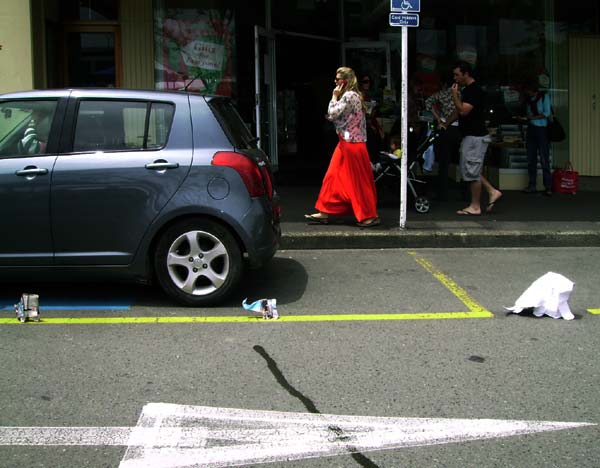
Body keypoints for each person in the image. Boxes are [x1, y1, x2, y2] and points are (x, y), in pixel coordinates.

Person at [305, 66, 380, 227]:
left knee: (357, 181)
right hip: (347, 142)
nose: (335, 81)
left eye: (337, 79)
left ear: (344, 81)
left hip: (351, 144)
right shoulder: (354, 95)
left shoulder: (348, 96)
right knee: (333, 177)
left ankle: (368, 215)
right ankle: (325, 211)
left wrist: (333, 96)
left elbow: (332, 114)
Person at [451, 61, 502, 215]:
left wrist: (454, 95)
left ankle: (475, 206)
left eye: (457, 74)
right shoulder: (468, 90)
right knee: (471, 168)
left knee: (472, 171)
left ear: (466, 74)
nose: (455, 78)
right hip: (471, 136)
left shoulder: (474, 91)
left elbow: (463, 110)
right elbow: (459, 112)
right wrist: (445, 123)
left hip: (475, 137)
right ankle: (492, 191)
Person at [424, 74, 461, 201]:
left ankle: (442, 192)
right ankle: (466, 192)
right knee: (462, 160)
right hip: (458, 127)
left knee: (444, 162)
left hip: (445, 126)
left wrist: (438, 118)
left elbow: (428, 102)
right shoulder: (460, 94)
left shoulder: (442, 94)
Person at [515, 79, 552, 196]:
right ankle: (532, 185)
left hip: (542, 129)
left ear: (534, 90)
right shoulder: (528, 99)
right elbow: (521, 108)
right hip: (531, 129)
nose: (528, 93)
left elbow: (547, 113)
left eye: (529, 91)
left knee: (544, 158)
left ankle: (548, 186)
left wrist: (532, 118)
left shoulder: (544, 97)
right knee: (531, 158)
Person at [359, 73, 385, 164]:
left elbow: (371, 115)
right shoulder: (358, 96)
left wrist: (378, 127)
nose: (367, 84)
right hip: (361, 126)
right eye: (365, 82)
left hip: (369, 124)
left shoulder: (368, 96)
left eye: (369, 82)